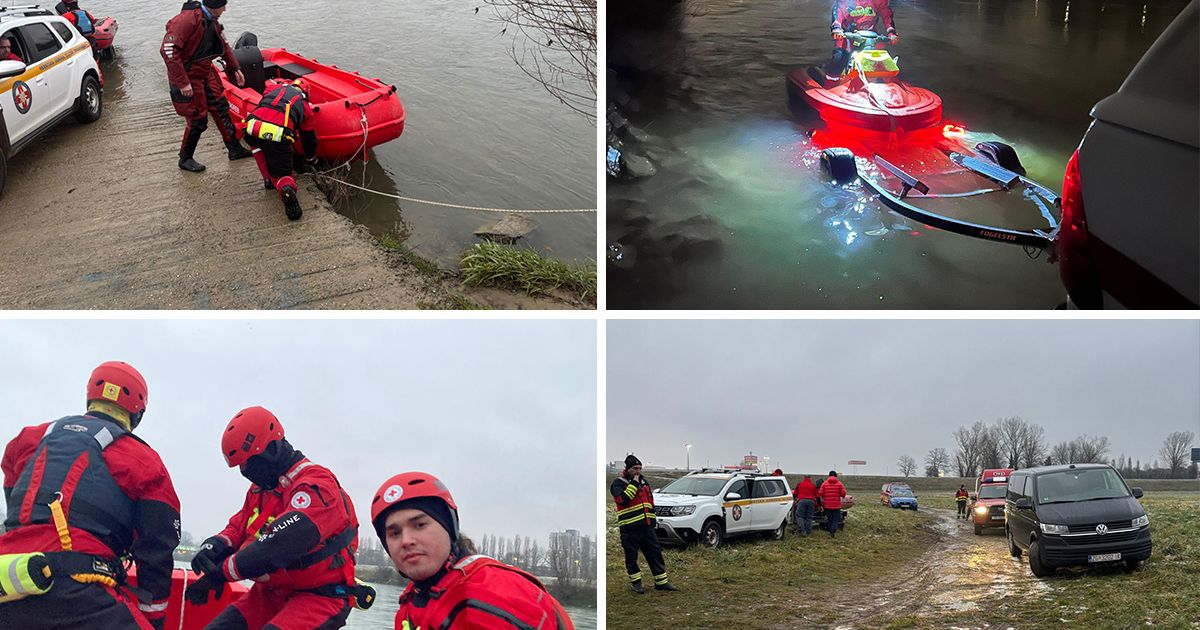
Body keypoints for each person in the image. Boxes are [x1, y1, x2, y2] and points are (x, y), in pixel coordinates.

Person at [0, 361, 181, 630]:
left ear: (90, 398)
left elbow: (14, 498)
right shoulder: (145, 461)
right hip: (78, 590)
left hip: (8, 579)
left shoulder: (28, 439)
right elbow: (157, 548)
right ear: (138, 413)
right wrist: (152, 618)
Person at [185, 406, 360, 629]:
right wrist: (215, 544)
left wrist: (221, 573)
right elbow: (240, 525)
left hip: (319, 595)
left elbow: (279, 544)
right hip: (271, 593)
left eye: (249, 463)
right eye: (241, 466)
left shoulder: (317, 486)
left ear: (272, 449)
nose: (245, 470)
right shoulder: (262, 489)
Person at [370, 471, 575, 629]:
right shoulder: (419, 593)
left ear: (449, 526)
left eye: (420, 525)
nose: (406, 540)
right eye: (394, 533)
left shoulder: (490, 596)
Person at [160, 0, 252, 173]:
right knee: (198, 120)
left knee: (221, 107)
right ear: (213, 5)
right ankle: (185, 158)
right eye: (223, 5)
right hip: (188, 75)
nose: (225, 9)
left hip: (206, 71)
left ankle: (234, 149)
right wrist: (182, 82)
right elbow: (168, 50)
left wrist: (235, 68)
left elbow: (223, 45)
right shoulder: (186, 21)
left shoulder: (213, 21)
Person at [242, 77, 319, 220]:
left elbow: (266, 92)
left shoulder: (273, 89)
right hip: (278, 135)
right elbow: (309, 139)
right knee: (283, 174)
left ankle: (267, 179)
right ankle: (286, 189)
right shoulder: (305, 107)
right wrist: (310, 158)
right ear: (305, 93)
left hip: (252, 127)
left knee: (258, 146)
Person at [611, 454, 676, 594]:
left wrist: (653, 521)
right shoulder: (618, 483)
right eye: (635, 468)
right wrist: (634, 484)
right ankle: (637, 584)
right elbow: (623, 500)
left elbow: (650, 502)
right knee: (631, 557)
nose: (638, 471)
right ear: (628, 469)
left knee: (655, 554)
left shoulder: (644, 482)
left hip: (647, 526)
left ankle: (661, 583)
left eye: (640, 468)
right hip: (629, 528)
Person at [824, 0, 900, 81]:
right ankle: (831, 82)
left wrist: (891, 32)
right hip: (848, 35)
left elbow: (886, 13)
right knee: (839, 58)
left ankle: (884, 81)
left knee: (881, 58)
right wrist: (837, 28)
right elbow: (838, 11)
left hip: (870, 36)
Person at [818, 470, 847, 537]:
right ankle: (833, 531)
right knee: (835, 519)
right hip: (836, 505)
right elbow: (843, 493)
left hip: (827, 505)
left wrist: (824, 497)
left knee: (830, 519)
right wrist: (841, 496)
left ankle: (830, 530)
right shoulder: (839, 484)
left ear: (829, 476)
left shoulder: (824, 483)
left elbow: (820, 493)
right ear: (836, 476)